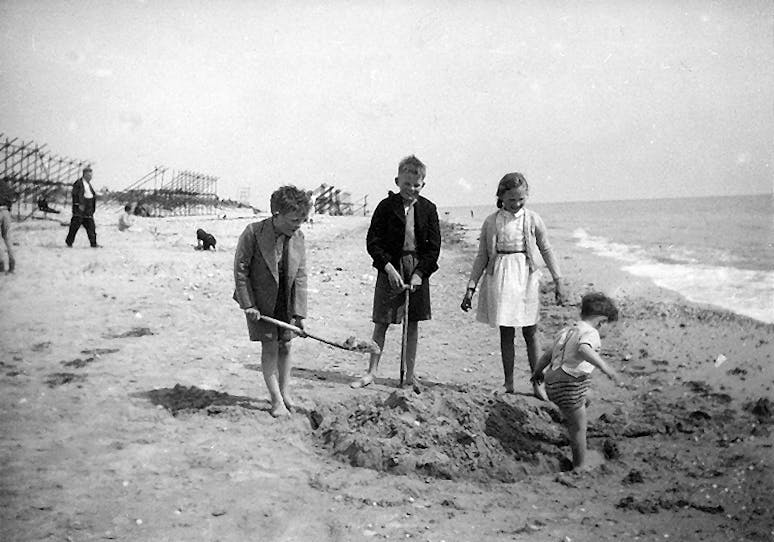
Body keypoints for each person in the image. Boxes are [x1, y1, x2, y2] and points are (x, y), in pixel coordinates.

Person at [460, 172, 565, 396]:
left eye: (521, 199)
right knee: (506, 332)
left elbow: (546, 249)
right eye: (511, 200)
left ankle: (538, 383)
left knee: (531, 331)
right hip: (501, 277)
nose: (516, 204)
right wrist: (471, 287)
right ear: (500, 197)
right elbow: (482, 256)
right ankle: (508, 383)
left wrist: (558, 280)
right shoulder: (491, 221)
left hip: (526, 276)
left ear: (527, 197)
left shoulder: (533, 219)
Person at [351, 155, 441, 390]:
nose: (411, 189)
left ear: (423, 184)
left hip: (417, 268)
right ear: (397, 181)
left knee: (412, 323)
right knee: (382, 321)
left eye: (416, 185)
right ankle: (371, 372)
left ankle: (410, 374)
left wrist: (420, 273)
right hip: (390, 267)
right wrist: (388, 267)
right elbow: (373, 242)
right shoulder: (385, 207)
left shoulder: (429, 209)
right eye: (406, 184)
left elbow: (433, 248)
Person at [233, 185, 311, 418]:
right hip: (261, 303)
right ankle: (276, 399)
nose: (298, 225)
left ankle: (285, 393)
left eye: (303, 220)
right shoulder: (253, 232)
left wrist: (299, 313)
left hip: (286, 300)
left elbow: (301, 275)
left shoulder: (298, 237)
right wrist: (248, 305)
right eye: (294, 220)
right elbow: (241, 271)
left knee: (286, 346)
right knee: (269, 347)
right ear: (277, 214)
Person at [530, 292, 624, 470]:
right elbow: (583, 349)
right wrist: (607, 368)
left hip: (552, 382)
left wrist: (537, 372)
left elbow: (548, 355)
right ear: (601, 322)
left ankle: (570, 415)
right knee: (579, 428)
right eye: (609, 328)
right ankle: (579, 466)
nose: (607, 333)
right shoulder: (591, 333)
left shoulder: (566, 331)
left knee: (587, 395)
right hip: (569, 385)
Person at [65, 166, 99, 248]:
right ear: (84, 175)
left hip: (88, 209)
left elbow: (91, 196)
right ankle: (69, 242)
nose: (91, 177)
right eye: (89, 175)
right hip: (80, 209)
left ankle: (93, 243)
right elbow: (75, 195)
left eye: (91, 175)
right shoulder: (78, 183)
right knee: (74, 227)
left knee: (91, 227)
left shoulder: (89, 185)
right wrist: (78, 205)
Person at [0, 177, 17, 273]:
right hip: (6, 211)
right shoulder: (5, 186)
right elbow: (11, 199)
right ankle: (12, 263)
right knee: (7, 238)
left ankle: (1, 264)